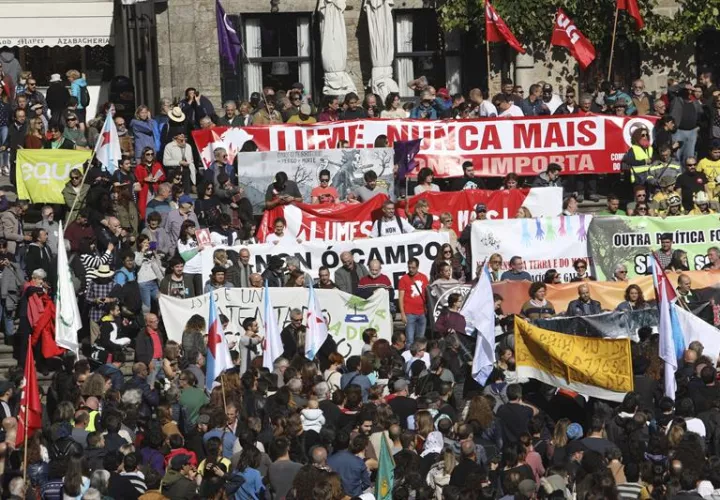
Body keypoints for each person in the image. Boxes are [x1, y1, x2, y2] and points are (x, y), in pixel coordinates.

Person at [398, 258, 428, 345]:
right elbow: (401, 298)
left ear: (417, 267)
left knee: (420, 340)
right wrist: (402, 314)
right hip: (409, 313)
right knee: (410, 340)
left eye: (413, 268)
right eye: (409, 267)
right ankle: (409, 358)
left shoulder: (424, 277)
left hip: (422, 313)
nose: (411, 270)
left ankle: (419, 357)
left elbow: (427, 294)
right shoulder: (404, 279)